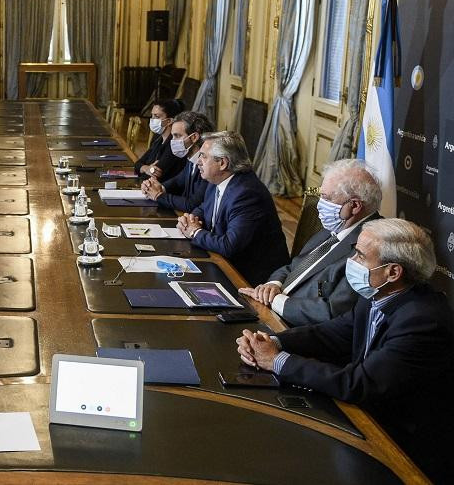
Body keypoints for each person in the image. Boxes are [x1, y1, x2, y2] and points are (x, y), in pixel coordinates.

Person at [235, 219, 454, 481]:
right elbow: (332, 333)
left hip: (404, 444)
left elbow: (360, 383)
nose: (351, 260)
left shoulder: (422, 320)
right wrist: (272, 342)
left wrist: (277, 361)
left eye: (360, 255)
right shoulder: (378, 294)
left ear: (393, 272)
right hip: (368, 415)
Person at [239, 159, 382, 326]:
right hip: (271, 311)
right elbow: (294, 266)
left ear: (355, 206)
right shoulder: (335, 226)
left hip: (297, 331)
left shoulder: (370, 249)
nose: (320, 204)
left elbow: (330, 312)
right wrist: (272, 285)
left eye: (326, 197)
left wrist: (275, 300)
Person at [177, 131, 289, 284]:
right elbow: (204, 207)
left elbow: (229, 245)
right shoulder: (217, 179)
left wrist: (195, 232)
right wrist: (191, 218)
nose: (198, 162)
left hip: (250, 277)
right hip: (223, 262)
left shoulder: (247, 194)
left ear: (222, 163)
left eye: (203, 156)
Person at [141, 110, 213, 212]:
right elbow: (178, 181)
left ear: (194, 137)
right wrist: (158, 187)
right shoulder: (190, 158)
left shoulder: (209, 166)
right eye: (172, 136)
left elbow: (192, 205)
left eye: (177, 136)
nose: (172, 141)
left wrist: (158, 195)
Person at [133, 99, 186, 182]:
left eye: (157, 116)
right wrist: (147, 168)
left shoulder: (174, 144)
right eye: (152, 116)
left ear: (169, 121)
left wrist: (146, 169)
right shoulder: (158, 139)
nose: (152, 120)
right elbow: (137, 164)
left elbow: (155, 174)